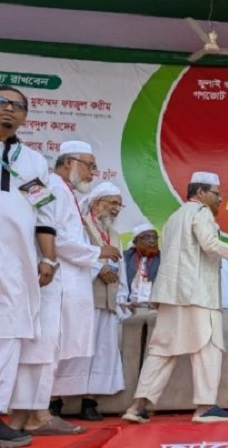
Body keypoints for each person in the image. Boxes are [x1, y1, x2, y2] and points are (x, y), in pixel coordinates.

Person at [122, 172, 228, 424]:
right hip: (197, 294)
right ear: (200, 192)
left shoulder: (174, 218)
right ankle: (205, 407)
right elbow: (210, 244)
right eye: (216, 193)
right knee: (209, 347)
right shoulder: (201, 213)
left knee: (162, 351)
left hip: (171, 296)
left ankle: (137, 407)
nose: (220, 199)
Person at [10, 141, 121, 437]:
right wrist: (98, 252)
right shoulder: (55, 188)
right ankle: (37, 415)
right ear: (68, 162)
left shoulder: (65, 191)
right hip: (54, 285)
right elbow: (55, 238)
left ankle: (27, 417)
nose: (92, 173)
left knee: (47, 352)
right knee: (43, 351)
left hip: (66, 285)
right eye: (89, 166)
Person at [0, 85, 58, 447]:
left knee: (8, 333)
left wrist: (48, 258)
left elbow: (44, 213)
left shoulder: (33, 161)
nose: (9, 109)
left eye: (18, 106)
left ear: (25, 117)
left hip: (15, 263)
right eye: (2, 102)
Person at [50, 182, 128, 421]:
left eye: (119, 204)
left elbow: (122, 269)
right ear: (96, 202)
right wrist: (98, 268)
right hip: (83, 298)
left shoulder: (114, 235)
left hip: (107, 301)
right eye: (112, 203)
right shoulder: (80, 225)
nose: (116, 208)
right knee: (73, 349)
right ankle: (54, 401)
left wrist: (121, 297)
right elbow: (71, 253)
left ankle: (90, 401)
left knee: (101, 352)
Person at [121, 224, 161, 315]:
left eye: (155, 238)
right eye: (146, 237)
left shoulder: (163, 258)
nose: (152, 241)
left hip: (154, 308)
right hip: (129, 308)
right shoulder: (126, 257)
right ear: (135, 242)